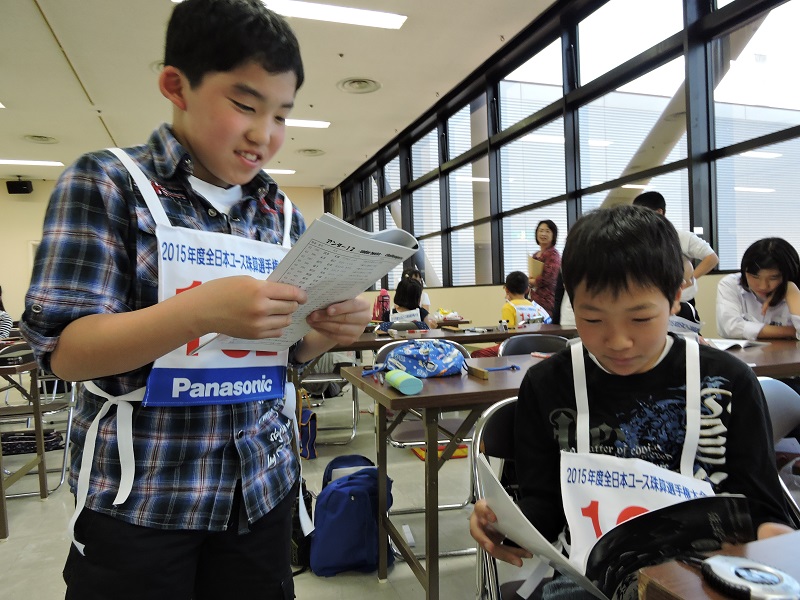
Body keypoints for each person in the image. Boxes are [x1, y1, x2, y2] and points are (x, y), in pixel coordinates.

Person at [19, 1, 371, 598]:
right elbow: (65, 354)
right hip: (143, 500)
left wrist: (325, 331)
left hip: (260, 487)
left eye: (281, 115)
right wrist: (202, 310)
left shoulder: (279, 214)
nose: (264, 134)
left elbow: (283, 354)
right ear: (176, 86)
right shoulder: (107, 183)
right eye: (244, 106)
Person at [470, 205, 793, 599]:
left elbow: (763, 507)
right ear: (572, 303)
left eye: (640, 319)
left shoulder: (728, 380)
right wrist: (505, 523)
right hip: (591, 577)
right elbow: (546, 505)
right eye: (592, 319)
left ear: (675, 298)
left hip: (707, 571)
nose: (618, 341)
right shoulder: (549, 383)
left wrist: (774, 543)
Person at [633, 191, 719, 308]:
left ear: (659, 212)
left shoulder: (681, 237)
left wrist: (690, 279)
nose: (639, 219)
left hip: (681, 300)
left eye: (643, 215)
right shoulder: (638, 240)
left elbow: (712, 258)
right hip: (650, 299)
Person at [717, 237, 800, 340]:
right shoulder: (731, 284)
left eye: (773, 278)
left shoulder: (794, 290)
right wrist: (791, 331)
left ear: (789, 274)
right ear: (744, 271)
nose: (763, 286)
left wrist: (791, 291)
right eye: (755, 277)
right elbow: (730, 328)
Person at [471, 271, 549, 358]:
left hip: (513, 348)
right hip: (533, 346)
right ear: (527, 289)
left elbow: (507, 334)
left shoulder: (509, 307)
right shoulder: (534, 307)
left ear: (506, 289)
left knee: (476, 354)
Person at [528, 220, 561, 316]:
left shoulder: (553, 255)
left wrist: (532, 281)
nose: (543, 234)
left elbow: (549, 279)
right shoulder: (535, 255)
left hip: (547, 301)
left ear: (553, 235)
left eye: (547, 231)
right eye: (541, 230)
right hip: (534, 300)